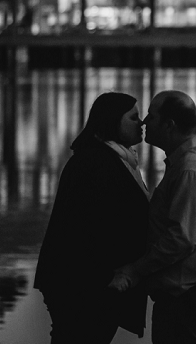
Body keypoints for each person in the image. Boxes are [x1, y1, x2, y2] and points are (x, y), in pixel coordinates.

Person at [109, 90, 196, 343]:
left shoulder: (191, 169)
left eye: (151, 116)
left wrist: (134, 271)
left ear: (169, 125)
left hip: (191, 301)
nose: (144, 122)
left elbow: (182, 238)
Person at [34, 92, 150, 342]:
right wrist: (110, 277)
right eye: (133, 117)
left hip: (86, 282)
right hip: (82, 286)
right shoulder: (95, 163)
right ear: (112, 121)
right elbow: (83, 230)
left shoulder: (111, 159)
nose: (141, 123)